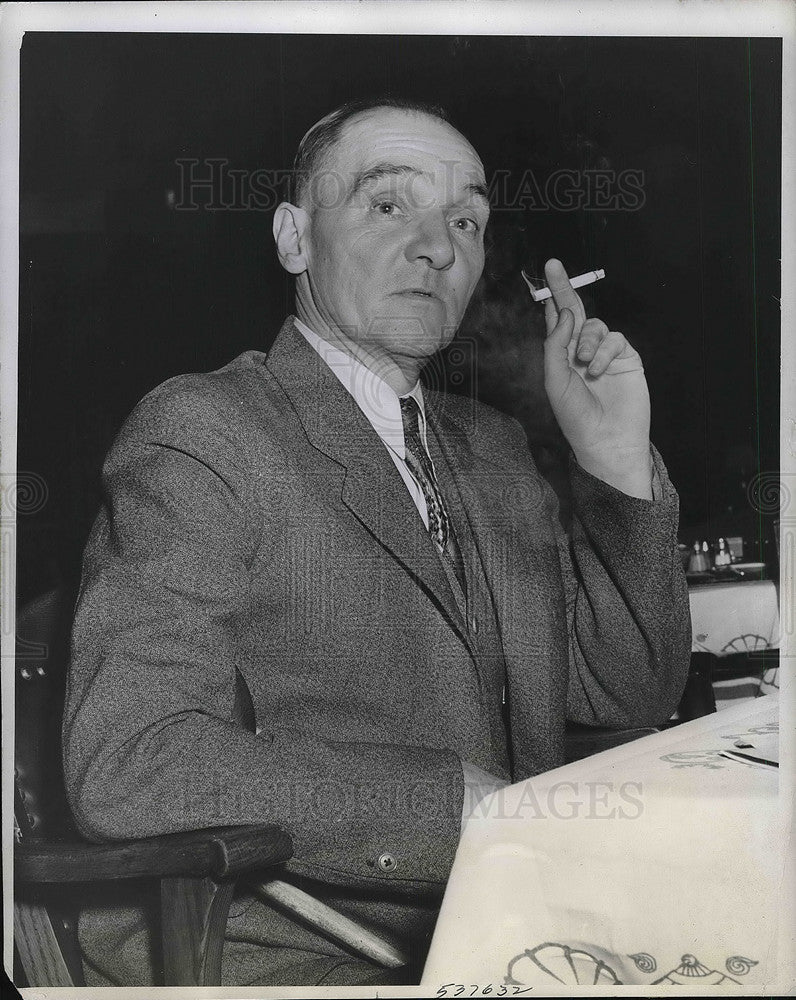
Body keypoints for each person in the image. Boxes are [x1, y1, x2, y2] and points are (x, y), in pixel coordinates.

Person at [63, 97, 691, 987]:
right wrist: (443, 805)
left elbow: (630, 688)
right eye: (388, 203)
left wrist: (615, 460)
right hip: (302, 955)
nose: (439, 245)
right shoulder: (207, 430)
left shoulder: (492, 447)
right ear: (294, 239)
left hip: (516, 938)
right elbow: (131, 760)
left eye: (466, 219)